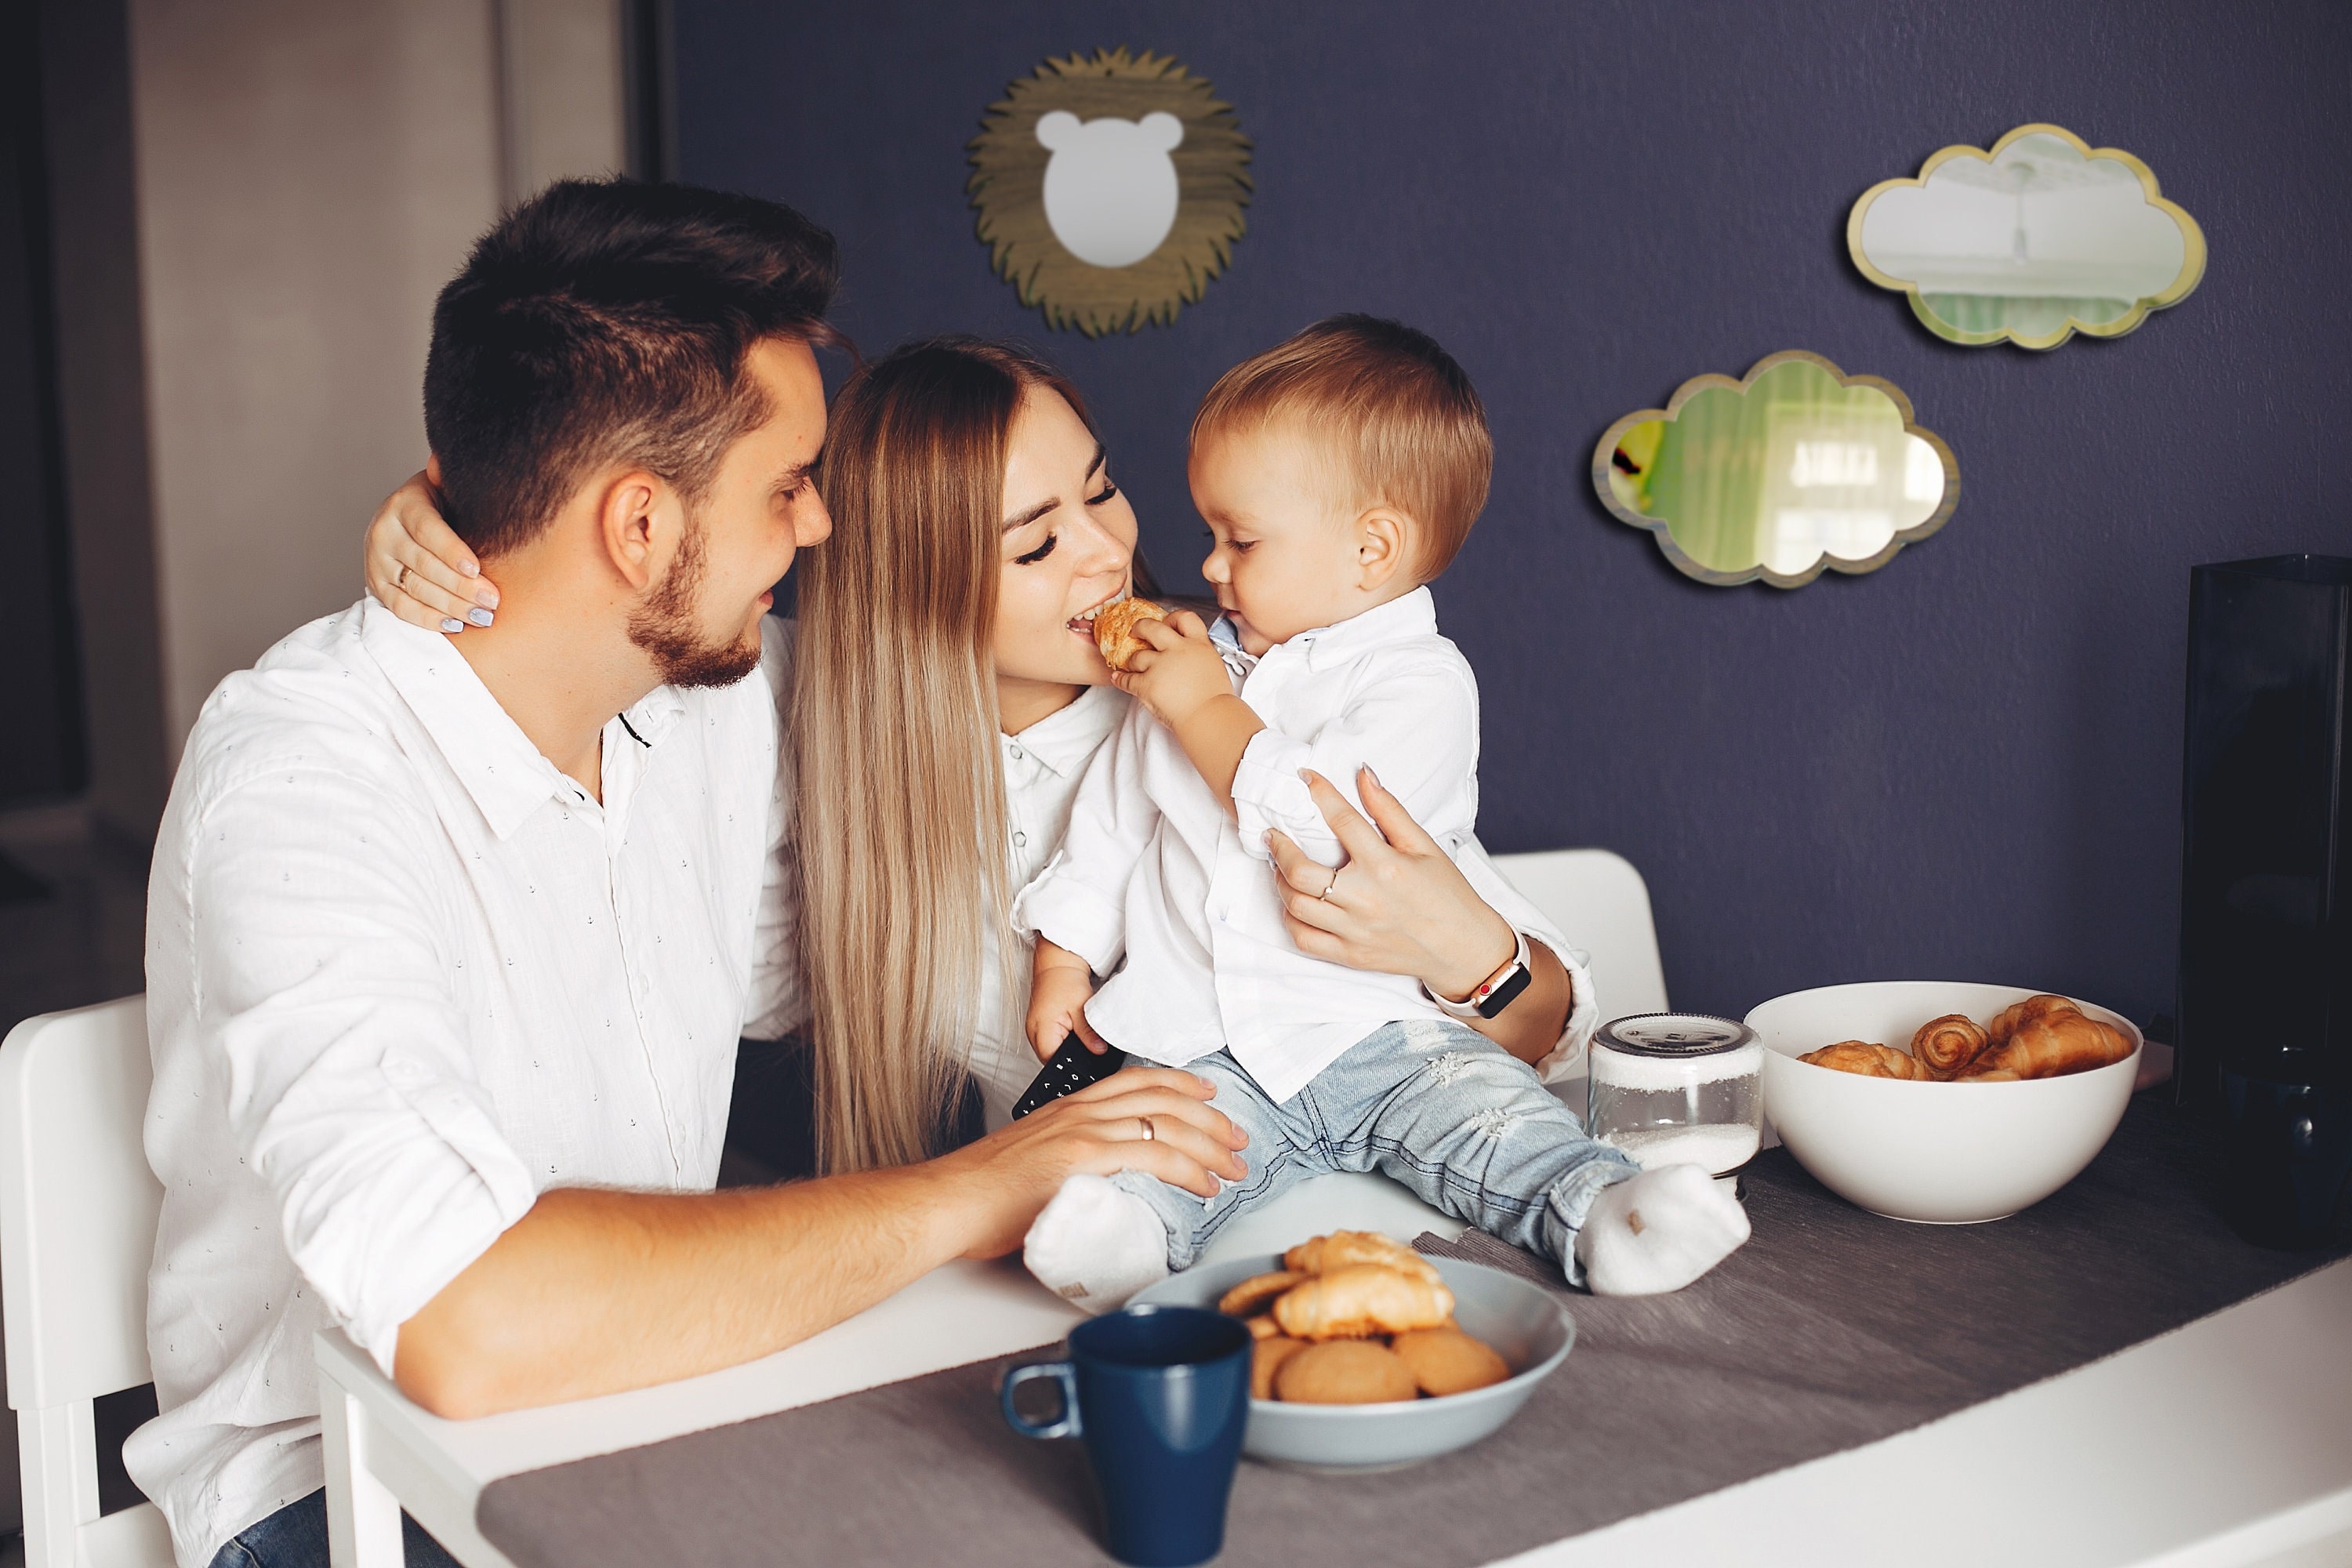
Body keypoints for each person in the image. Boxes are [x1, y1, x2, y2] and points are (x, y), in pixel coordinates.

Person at [135, 180, 1249, 1568]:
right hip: (345, 1493)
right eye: (788, 489)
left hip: (663, 1399)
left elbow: (943, 683)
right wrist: (982, 1185)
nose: (822, 529)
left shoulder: (721, 695)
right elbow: (470, 1328)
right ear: (641, 529)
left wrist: (1218, 710)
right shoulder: (302, 782)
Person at [372, 334, 1597, 1182]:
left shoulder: (1239, 702)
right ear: (915, 590)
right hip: (1110, 1253)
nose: (1110, 556)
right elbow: (582, 623)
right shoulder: (801, 718)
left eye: (1104, 491)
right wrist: (441, 526)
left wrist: (1468, 955)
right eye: (1034, 543)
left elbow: (1549, 1022)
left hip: (1359, 1192)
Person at [1013, 317, 1751, 1311]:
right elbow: (1112, 822)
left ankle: (1604, 1212)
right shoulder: (1204, 666)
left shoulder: (1420, 684)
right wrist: (1063, 955)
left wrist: (1201, 707)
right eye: (1208, 537)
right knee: (1159, 1145)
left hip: (1383, 1037)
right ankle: (1126, 1233)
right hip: (1203, 1039)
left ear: (1372, 548)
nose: (1214, 568)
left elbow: (1327, 837)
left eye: (1241, 539)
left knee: (1493, 1119)